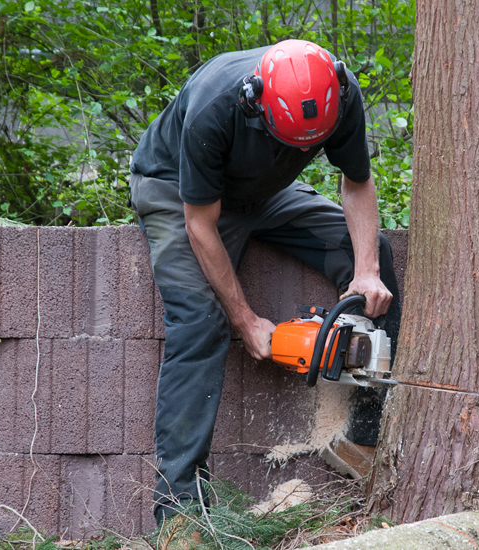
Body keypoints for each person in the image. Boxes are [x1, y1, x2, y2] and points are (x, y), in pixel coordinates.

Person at [128, 39, 401, 524]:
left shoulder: (340, 91)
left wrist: (366, 272)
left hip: (265, 193)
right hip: (178, 192)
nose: (300, 151)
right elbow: (200, 224)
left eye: (305, 145)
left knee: (370, 253)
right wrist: (247, 319)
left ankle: (361, 437)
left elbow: (357, 181)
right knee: (199, 320)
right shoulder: (216, 104)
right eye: (288, 141)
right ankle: (180, 510)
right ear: (256, 100)